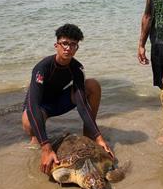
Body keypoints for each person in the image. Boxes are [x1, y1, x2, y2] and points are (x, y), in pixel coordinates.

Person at [22, 23, 114, 175]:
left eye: (73, 45)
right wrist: (46, 146)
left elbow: (81, 103)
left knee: (92, 85)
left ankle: (88, 131)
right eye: (64, 43)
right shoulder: (42, 68)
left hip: (58, 101)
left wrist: (98, 138)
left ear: (77, 48)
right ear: (56, 45)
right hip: (41, 105)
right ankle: (36, 137)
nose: (68, 48)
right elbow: (33, 106)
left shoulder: (77, 68)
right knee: (27, 120)